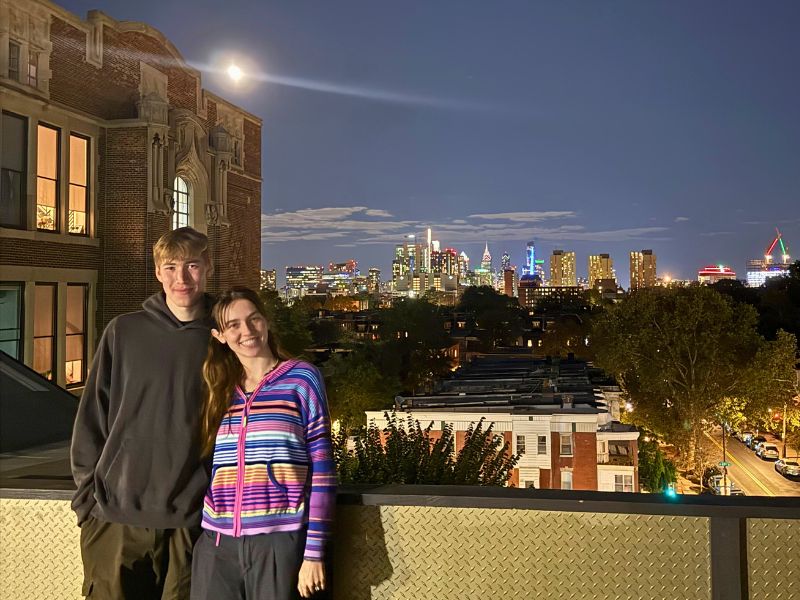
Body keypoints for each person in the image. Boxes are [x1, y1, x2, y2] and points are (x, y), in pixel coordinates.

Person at [71, 227, 214, 599]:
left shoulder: (225, 338)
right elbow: (92, 416)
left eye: (192, 265)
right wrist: (89, 496)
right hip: (115, 515)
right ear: (157, 272)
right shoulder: (124, 331)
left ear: (208, 267)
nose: (181, 278)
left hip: (192, 517)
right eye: (170, 267)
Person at [191, 287, 336, 600]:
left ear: (266, 322)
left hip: (279, 540)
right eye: (234, 325)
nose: (247, 331)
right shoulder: (220, 389)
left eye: (253, 319)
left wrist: (313, 553)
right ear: (220, 336)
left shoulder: (301, 379)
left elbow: (323, 471)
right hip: (217, 544)